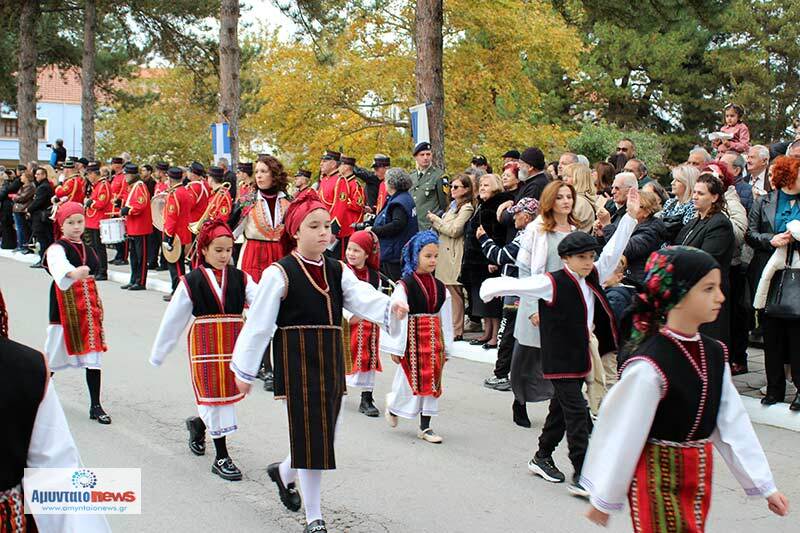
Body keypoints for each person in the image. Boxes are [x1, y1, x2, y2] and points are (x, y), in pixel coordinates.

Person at [231, 189, 406, 533]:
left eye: (327, 225)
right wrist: (244, 370)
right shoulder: (278, 274)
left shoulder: (337, 269)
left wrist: (390, 308)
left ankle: (283, 473)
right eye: (315, 226)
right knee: (311, 437)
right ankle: (315, 517)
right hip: (295, 359)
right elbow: (259, 326)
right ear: (295, 231)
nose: (325, 232)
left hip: (329, 358)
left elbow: (362, 298)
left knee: (327, 434)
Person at [582, 246, 789, 532]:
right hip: (657, 473)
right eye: (708, 288)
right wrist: (604, 498)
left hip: (698, 473)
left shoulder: (715, 352)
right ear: (677, 294)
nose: (720, 296)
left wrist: (765, 485)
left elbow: (731, 424)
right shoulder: (649, 363)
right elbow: (623, 433)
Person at [480, 186, 640, 497]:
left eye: (590, 256)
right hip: (559, 358)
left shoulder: (591, 275)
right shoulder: (553, 281)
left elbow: (610, 255)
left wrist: (630, 219)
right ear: (565, 258)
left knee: (560, 412)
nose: (588, 262)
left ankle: (541, 456)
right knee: (577, 412)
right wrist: (490, 289)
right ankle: (583, 473)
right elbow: (520, 283)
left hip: (579, 354)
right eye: (581, 257)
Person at [151, 220, 258, 481]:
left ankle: (198, 425)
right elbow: (173, 319)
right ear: (205, 250)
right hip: (206, 343)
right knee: (213, 396)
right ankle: (222, 456)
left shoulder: (240, 277)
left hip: (233, 342)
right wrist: (160, 351)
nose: (224, 256)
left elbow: (261, 303)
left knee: (224, 395)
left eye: (228, 250)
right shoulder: (192, 280)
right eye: (218, 250)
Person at [0, 287, 112, 533]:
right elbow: (56, 474)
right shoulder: (24, 369)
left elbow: (57, 476)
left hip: (81, 315)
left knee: (89, 360)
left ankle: (95, 404)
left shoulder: (24, 369)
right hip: (65, 315)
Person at [44, 202, 111, 425]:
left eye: (79, 222)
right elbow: (57, 266)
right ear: (61, 225)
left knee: (93, 356)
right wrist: (72, 273)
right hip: (65, 306)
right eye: (70, 223)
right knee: (53, 353)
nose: (76, 227)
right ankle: (37, 396)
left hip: (88, 307)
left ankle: (95, 405)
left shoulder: (87, 247)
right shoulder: (57, 248)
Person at [383, 230, 453, 443]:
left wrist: (447, 347)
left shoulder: (441, 288)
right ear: (415, 256)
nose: (432, 261)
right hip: (411, 342)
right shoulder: (405, 285)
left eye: (435, 256)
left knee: (433, 383)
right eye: (427, 256)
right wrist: (396, 348)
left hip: (434, 342)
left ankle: (426, 426)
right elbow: (395, 314)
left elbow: (446, 319)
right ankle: (394, 407)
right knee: (407, 381)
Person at [747, 156, 800, 407]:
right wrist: (773, 239)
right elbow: (751, 234)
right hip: (769, 274)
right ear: (789, 176)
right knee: (772, 336)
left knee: (798, 336)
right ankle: (775, 388)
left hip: (798, 273)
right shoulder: (764, 201)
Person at [479, 197, 538, 392]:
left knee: (508, 334)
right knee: (518, 335)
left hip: (518, 292)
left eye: (517, 213)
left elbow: (502, 256)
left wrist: (484, 239)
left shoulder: (527, 236)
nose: (513, 218)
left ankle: (501, 375)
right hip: (523, 291)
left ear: (527, 217)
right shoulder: (530, 233)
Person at [675, 173, 735, 346]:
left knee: (708, 343)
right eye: (694, 192)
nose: (694, 197)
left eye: (700, 193)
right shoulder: (694, 221)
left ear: (715, 197)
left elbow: (706, 258)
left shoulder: (719, 223)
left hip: (708, 291)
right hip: (691, 289)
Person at [461, 174, 513, 348]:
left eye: (486, 185)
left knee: (492, 299)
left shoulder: (496, 205)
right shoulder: (483, 205)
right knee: (482, 298)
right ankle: (487, 331)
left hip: (488, 258)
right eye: (481, 185)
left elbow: (498, 234)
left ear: (496, 187)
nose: (482, 187)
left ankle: (494, 334)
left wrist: (493, 259)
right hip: (477, 259)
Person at [229, 155, 291, 283]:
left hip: (282, 257)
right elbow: (232, 232)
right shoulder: (247, 202)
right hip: (253, 257)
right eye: (256, 172)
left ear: (274, 175)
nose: (258, 175)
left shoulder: (289, 202)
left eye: (263, 171)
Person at [427, 174, 474, 340]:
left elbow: (455, 230)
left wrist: (436, 220)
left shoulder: (466, 208)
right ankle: (447, 326)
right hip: (444, 252)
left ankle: (457, 330)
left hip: (454, 253)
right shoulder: (452, 207)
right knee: (446, 290)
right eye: (451, 187)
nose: (452, 190)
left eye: (456, 187)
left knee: (454, 291)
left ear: (467, 189)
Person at [344, 230, 385, 417]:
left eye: (357, 250)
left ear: (367, 254)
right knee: (341, 356)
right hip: (347, 323)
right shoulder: (342, 271)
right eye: (349, 249)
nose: (351, 253)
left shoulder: (374, 276)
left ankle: (366, 397)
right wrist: (349, 316)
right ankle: (336, 390)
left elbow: (376, 299)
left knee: (369, 357)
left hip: (368, 324)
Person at [372, 167, 418, 281]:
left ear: (391, 183)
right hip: (400, 249)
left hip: (394, 253)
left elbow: (397, 225)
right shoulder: (404, 197)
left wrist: (374, 230)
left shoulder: (399, 202)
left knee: (393, 284)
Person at [496, 146, 549, 242]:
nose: (518, 166)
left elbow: (520, 215)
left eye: (521, 163)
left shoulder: (536, 186)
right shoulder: (531, 183)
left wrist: (502, 211)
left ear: (530, 167)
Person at [318, 152, 365, 258]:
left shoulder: (340, 181)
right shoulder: (325, 180)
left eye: (325, 161)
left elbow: (340, 206)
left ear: (334, 164)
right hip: (322, 226)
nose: (321, 164)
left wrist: (333, 230)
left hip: (337, 227)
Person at [162, 167, 195, 300]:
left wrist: (168, 236)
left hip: (176, 234)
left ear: (169, 179)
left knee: (175, 265)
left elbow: (171, 216)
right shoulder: (185, 191)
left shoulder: (174, 194)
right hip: (184, 232)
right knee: (179, 263)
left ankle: (177, 291)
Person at [119, 164, 152, 291]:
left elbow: (140, 204)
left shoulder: (140, 186)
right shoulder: (133, 186)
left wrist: (128, 210)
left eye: (126, 174)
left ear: (131, 175)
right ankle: (133, 279)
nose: (125, 177)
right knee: (133, 256)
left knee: (141, 256)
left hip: (141, 227)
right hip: (133, 226)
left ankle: (141, 281)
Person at [409, 142, 450, 230]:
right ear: (415, 157)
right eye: (422, 155)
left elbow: (444, 205)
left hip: (429, 227)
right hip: (412, 226)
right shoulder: (411, 177)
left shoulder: (439, 176)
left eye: (428, 154)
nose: (425, 157)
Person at [83, 161, 111, 281]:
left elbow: (101, 203)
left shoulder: (103, 185)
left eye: (89, 174)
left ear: (95, 173)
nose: (88, 177)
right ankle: (96, 269)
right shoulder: (97, 185)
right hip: (92, 220)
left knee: (99, 248)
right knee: (93, 246)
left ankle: (102, 271)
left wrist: (90, 203)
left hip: (99, 220)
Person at [27, 166, 55, 268]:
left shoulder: (43, 187)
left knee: (43, 239)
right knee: (44, 239)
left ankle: (44, 260)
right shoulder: (43, 185)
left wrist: (28, 209)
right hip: (41, 217)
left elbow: (38, 202)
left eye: (38, 174)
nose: (36, 176)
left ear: (44, 175)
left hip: (41, 217)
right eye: (36, 174)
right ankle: (45, 259)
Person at [660, 164, 699, 231]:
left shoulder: (693, 206)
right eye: (673, 179)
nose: (672, 183)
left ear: (688, 184)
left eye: (678, 180)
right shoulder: (670, 202)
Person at [562, 163, 597, 233]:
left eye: (569, 176)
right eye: (564, 176)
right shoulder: (580, 200)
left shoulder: (579, 202)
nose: (564, 179)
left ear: (580, 179)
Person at [109, 156, 129, 265]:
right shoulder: (115, 177)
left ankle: (123, 256)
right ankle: (118, 254)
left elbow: (124, 192)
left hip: (119, 207)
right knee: (116, 233)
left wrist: (119, 201)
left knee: (122, 233)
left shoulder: (123, 177)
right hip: (113, 207)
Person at [11, 169, 35, 253]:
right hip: (18, 209)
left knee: (23, 229)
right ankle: (20, 245)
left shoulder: (31, 186)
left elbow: (21, 197)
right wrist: (16, 197)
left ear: (27, 177)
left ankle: (24, 246)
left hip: (22, 210)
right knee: (19, 228)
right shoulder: (24, 186)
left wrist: (15, 197)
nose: (21, 177)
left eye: (22, 176)